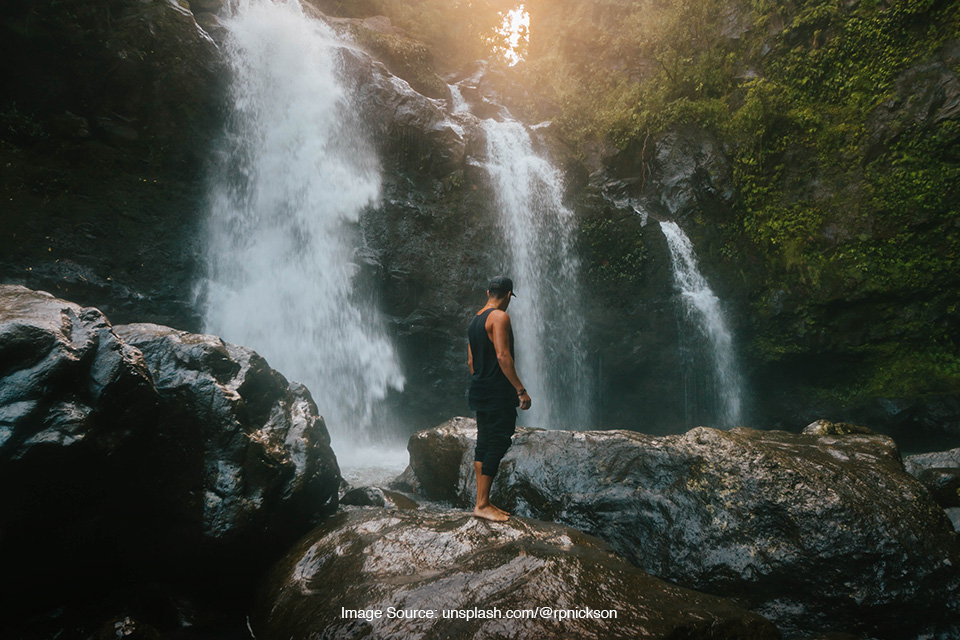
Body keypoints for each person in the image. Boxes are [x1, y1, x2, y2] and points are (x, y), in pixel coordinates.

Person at [467, 276, 531, 522]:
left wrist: (482, 381)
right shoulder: (500, 317)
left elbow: (471, 362)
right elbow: (503, 356)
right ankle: (482, 504)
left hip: (479, 390)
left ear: (487, 292)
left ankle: (481, 501)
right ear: (507, 295)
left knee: (483, 442)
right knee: (499, 441)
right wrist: (520, 389)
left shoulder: (475, 320)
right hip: (498, 392)